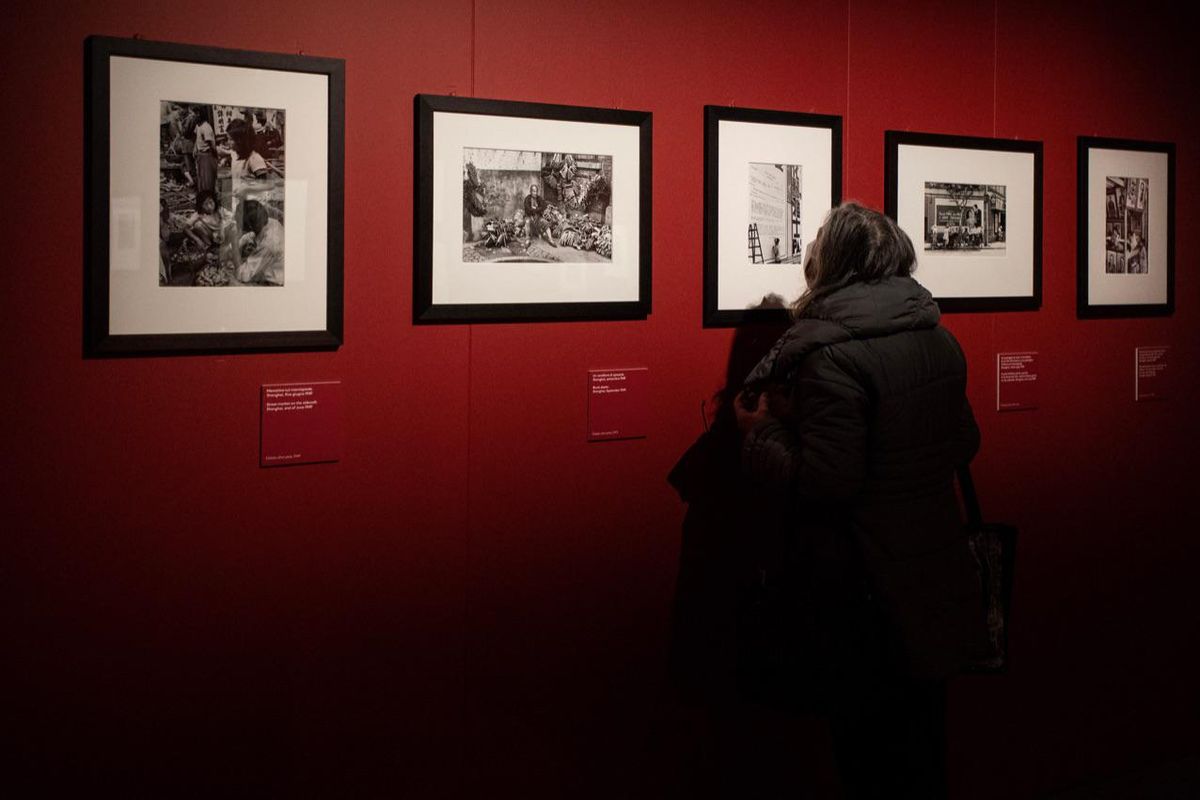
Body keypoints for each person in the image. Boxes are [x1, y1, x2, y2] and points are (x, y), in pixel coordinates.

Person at [734, 202, 981, 799]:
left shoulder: (831, 355)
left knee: (869, 757)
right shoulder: (939, 339)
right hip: (934, 570)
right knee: (923, 747)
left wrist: (761, 434)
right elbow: (965, 440)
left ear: (832, 265)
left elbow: (827, 484)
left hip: (867, 587)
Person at [234, 200, 284, 285]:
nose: (236, 223)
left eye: (238, 222)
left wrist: (234, 247)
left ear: (248, 227)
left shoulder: (268, 244)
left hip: (275, 282)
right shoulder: (270, 222)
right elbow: (251, 235)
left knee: (234, 281)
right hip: (271, 266)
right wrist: (238, 243)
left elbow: (243, 275)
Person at [192, 109, 218, 195]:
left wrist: (215, 155)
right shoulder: (198, 126)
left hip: (207, 155)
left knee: (208, 179)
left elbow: (211, 144)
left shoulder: (206, 127)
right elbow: (197, 139)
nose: (193, 116)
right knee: (201, 178)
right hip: (200, 155)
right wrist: (195, 149)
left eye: (194, 113)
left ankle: (209, 197)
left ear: (199, 114)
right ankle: (203, 196)